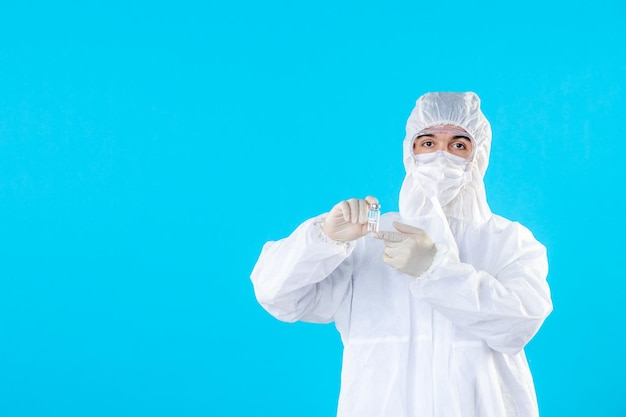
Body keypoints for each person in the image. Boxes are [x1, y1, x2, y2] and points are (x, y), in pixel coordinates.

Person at [250, 92, 552, 417]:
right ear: (410, 152)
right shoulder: (371, 238)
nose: (441, 156)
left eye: (459, 145)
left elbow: (520, 325)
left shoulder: (510, 241)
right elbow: (276, 295)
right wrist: (324, 238)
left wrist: (435, 270)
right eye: (428, 143)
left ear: (478, 157)